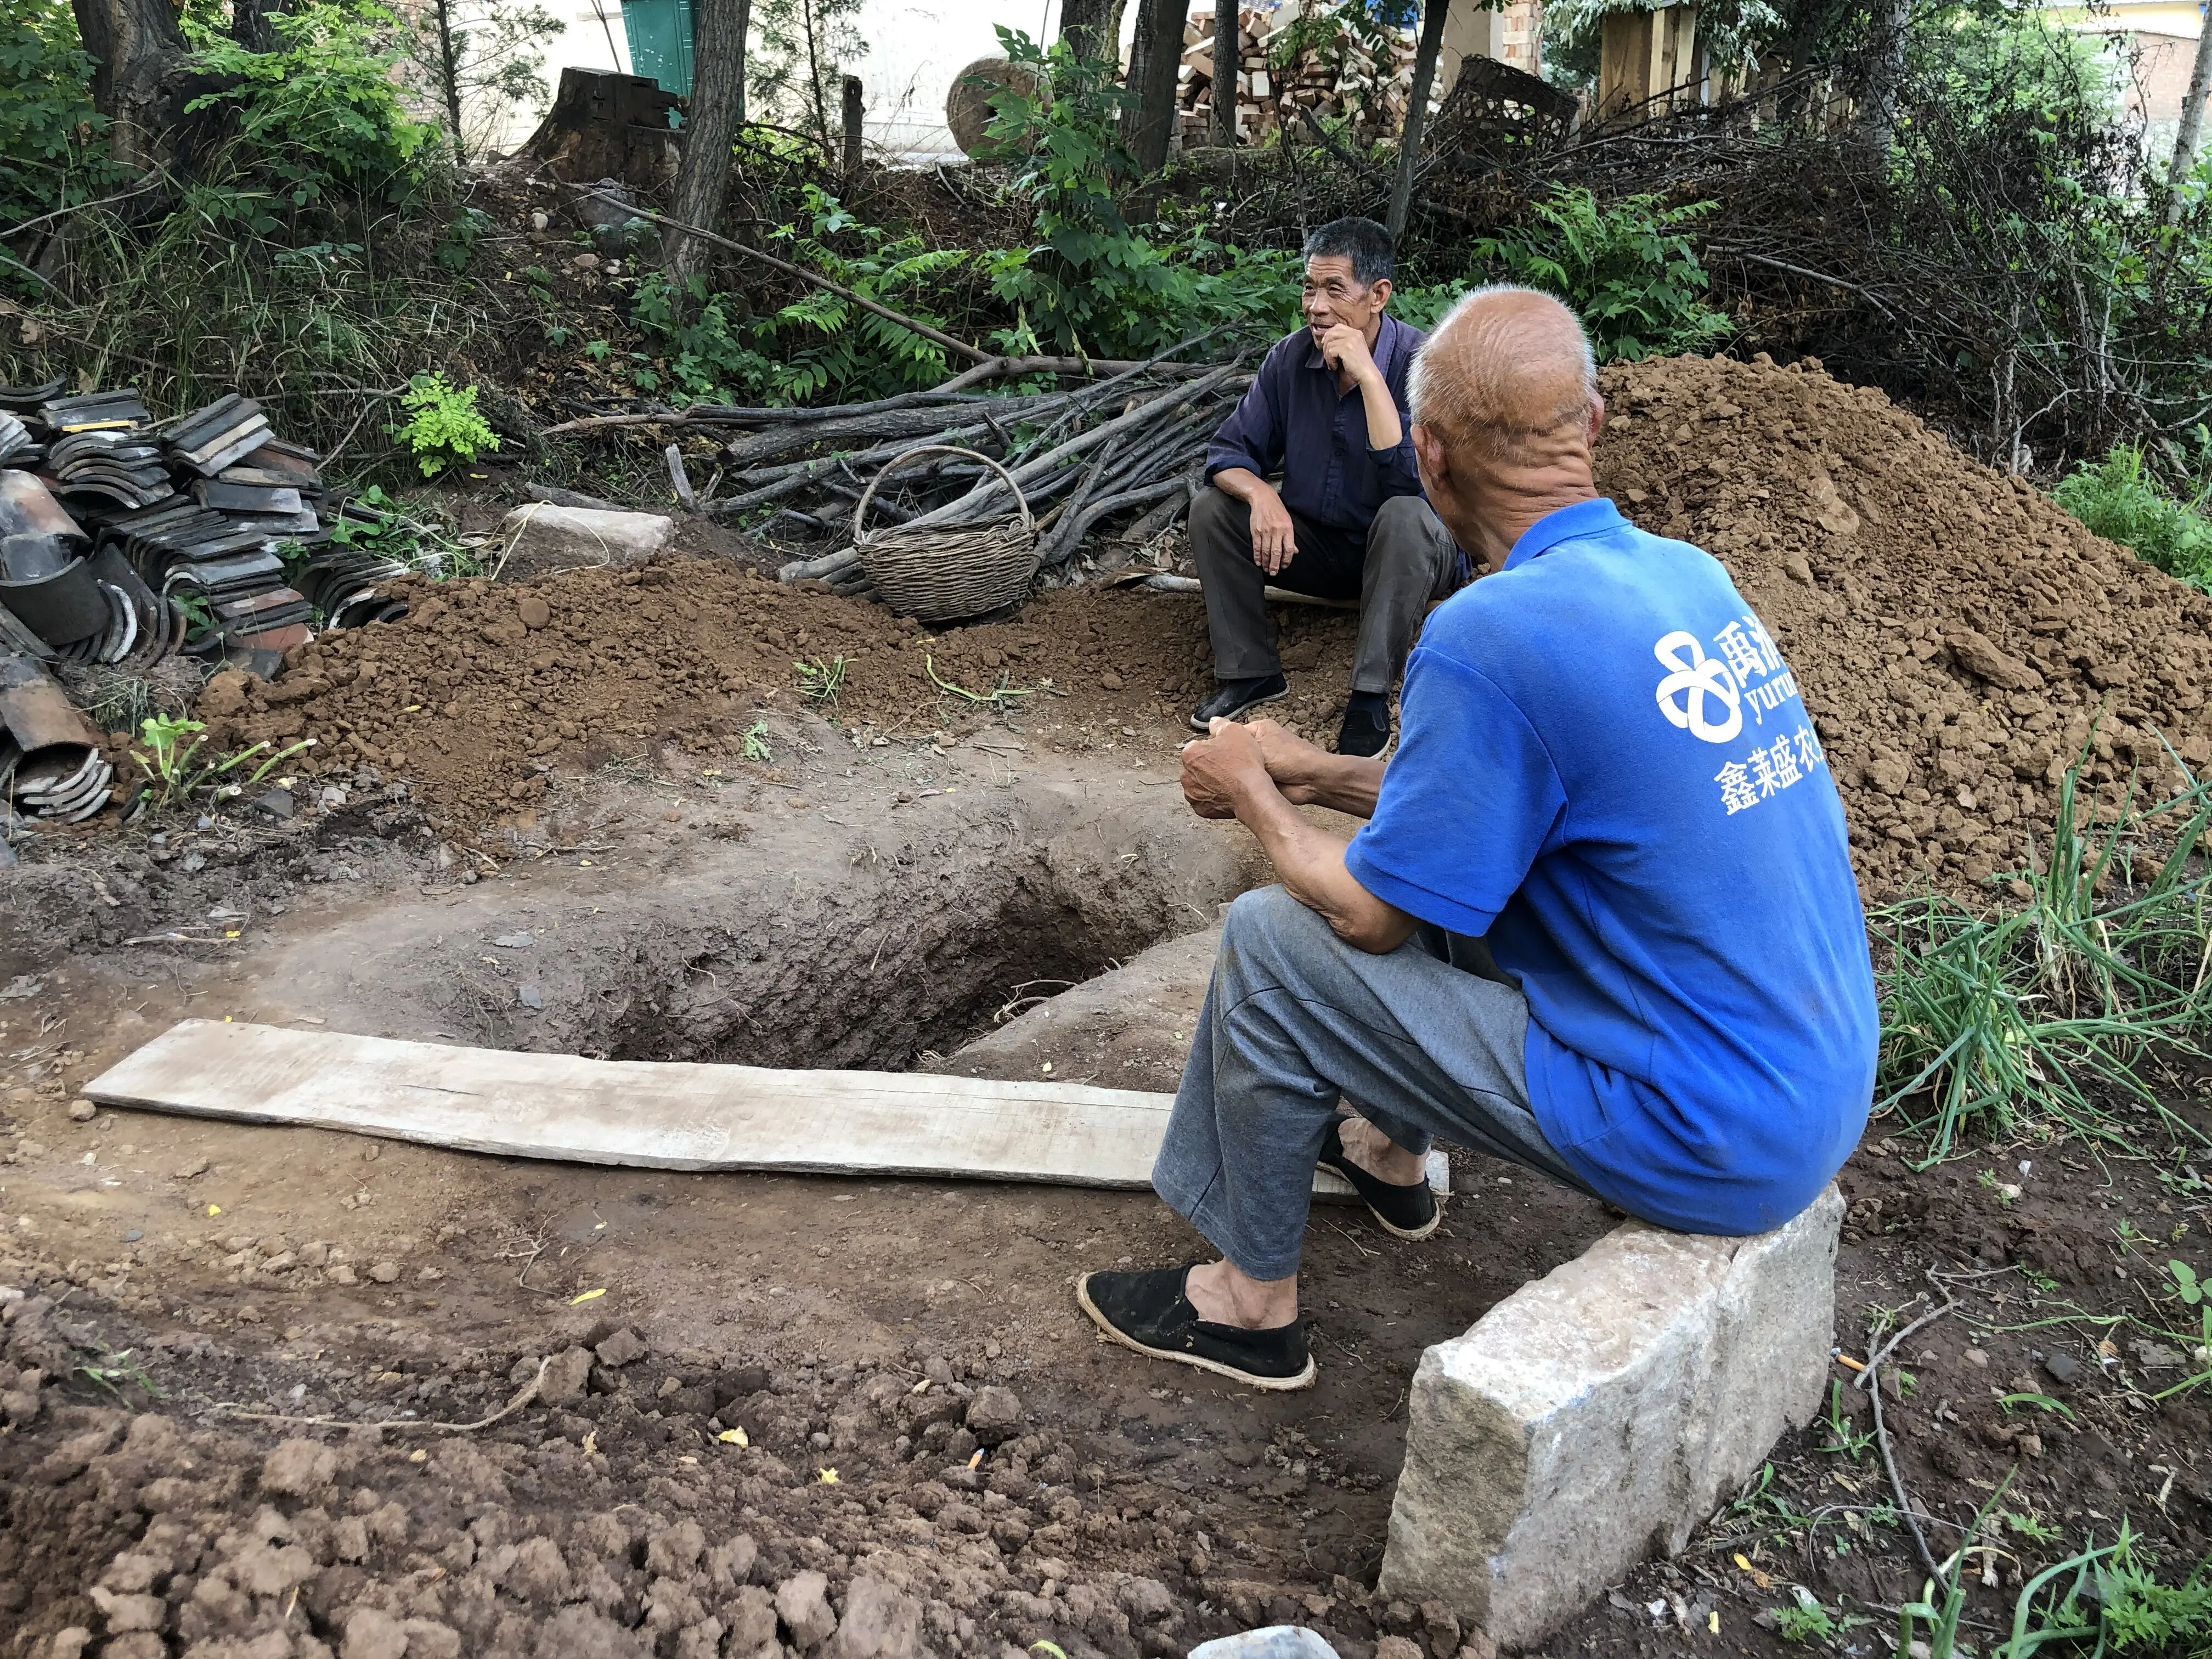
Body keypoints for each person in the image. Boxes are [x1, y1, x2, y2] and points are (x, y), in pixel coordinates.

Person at [1077, 287, 1879, 1390]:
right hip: (1810, 1087)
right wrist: (1308, 765)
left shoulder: (1486, 633)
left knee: (1274, 943)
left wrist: (1254, 794)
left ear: (1433, 460)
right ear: (1589, 427)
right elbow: (1473, 804)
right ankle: (1391, 1156)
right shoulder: (1686, 579)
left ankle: (1247, 1307)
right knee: (1473, 871)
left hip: (1708, 1135)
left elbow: (1365, 912)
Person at [1190, 216, 1460, 759]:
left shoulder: (1422, 363)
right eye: (1310, 287)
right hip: (1319, 548)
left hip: (1410, 553)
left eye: (1334, 290)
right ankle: (1252, 673)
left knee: (1405, 515)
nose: (1316, 305)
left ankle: (1370, 694)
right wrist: (1262, 494)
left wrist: (1368, 377)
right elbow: (1226, 454)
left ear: (1378, 295)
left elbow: (1416, 482)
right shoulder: (1290, 358)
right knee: (1213, 509)